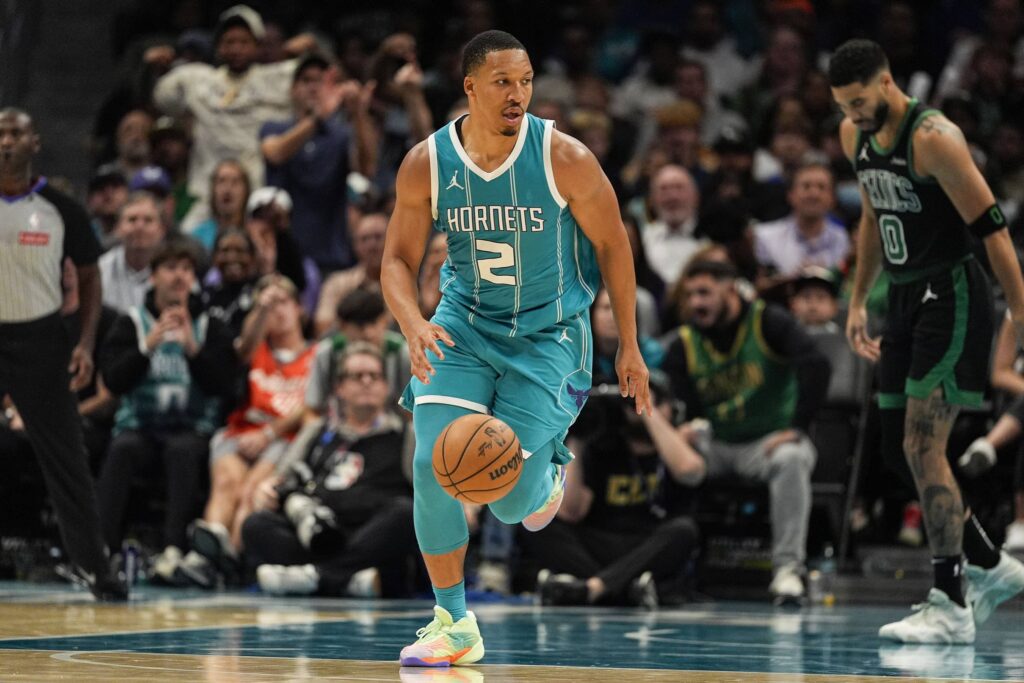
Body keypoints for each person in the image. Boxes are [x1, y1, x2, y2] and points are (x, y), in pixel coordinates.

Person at [380, 31, 651, 667]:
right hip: (464, 325)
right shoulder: (428, 162)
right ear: (470, 87)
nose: (518, 94)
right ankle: (453, 619)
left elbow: (615, 245)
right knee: (433, 465)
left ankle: (547, 476)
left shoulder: (566, 157)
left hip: (549, 334)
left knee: (506, 499)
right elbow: (395, 257)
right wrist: (414, 322)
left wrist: (630, 347)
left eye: (526, 81)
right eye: (504, 82)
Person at [829, 39, 1024, 644]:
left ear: (887, 83)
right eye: (844, 104)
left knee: (922, 443)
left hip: (955, 295)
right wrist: (860, 298)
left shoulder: (934, 138)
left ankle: (952, 599)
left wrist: (1020, 312)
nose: (854, 114)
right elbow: (871, 215)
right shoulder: (852, 136)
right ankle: (991, 565)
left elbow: (992, 233)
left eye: (861, 101)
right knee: (895, 451)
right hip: (904, 298)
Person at [0, 107, 125, 600]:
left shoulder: (61, 209)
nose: (6, 141)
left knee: (66, 461)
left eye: (16, 133)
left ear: (35, 143)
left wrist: (86, 343)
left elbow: (90, 277)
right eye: (0, 133)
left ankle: (96, 569)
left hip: (40, 339)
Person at [662, 259, 831, 603]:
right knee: (668, 451)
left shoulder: (768, 321)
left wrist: (797, 427)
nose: (696, 303)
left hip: (765, 443)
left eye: (705, 293)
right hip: (717, 443)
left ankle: (787, 570)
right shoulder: (684, 342)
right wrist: (682, 429)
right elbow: (676, 400)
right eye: (691, 294)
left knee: (794, 457)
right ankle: (670, 567)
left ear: (731, 289)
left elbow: (817, 365)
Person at [98, 240, 237, 575]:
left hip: (193, 429)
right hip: (141, 427)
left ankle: (174, 549)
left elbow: (225, 386)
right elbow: (114, 381)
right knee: (122, 448)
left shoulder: (211, 326)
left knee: (183, 450)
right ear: (154, 277)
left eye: (187, 269)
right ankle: (102, 548)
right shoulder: (131, 323)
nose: (180, 276)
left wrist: (192, 349)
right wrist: (146, 347)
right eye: (171, 268)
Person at [244, 342, 415, 597]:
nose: (367, 382)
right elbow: (279, 480)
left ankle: (318, 576)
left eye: (375, 376)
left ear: (386, 387)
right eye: (357, 376)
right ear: (339, 388)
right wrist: (265, 489)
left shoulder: (405, 434)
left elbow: (429, 491)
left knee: (406, 513)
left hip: (372, 536)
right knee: (256, 524)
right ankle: (346, 580)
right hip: (320, 533)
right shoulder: (317, 431)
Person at [527, 373, 701, 608]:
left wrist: (648, 411)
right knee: (536, 521)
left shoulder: (678, 443)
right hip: (601, 542)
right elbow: (570, 511)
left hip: (648, 544)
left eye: (653, 400)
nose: (637, 405)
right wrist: (576, 437)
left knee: (684, 530)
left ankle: (590, 588)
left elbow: (690, 471)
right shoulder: (603, 445)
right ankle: (620, 589)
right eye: (633, 399)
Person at [188, 274, 314, 582]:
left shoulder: (316, 354)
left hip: (284, 436)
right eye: (269, 306)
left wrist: (269, 433)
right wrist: (261, 309)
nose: (277, 311)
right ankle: (209, 555)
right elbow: (244, 345)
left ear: (299, 308)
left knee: (250, 491)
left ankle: (227, 558)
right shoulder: (254, 349)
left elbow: (313, 408)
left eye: (283, 302)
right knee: (228, 484)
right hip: (241, 432)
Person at [260, 52, 376, 273]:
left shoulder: (340, 135)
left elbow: (367, 169)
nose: (313, 88)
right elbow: (274, 153)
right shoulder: (275, 128)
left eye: (320, 81)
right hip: (282, 254)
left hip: (331, 253)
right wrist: (318, 117)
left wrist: (359, 114)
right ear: (293, 90)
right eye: (306, 80)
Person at [958, 312, 1024, 552]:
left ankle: (987, 446)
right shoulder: (1018, 310)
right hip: (1015, 404)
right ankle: (1021, 522)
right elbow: (999, 374)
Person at [98, 191, 167, 312]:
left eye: (148, 220)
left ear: (161, 230)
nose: (139, 226)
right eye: (132, 219)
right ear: (118, 228)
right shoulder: (100, 270)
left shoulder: (177, 270)